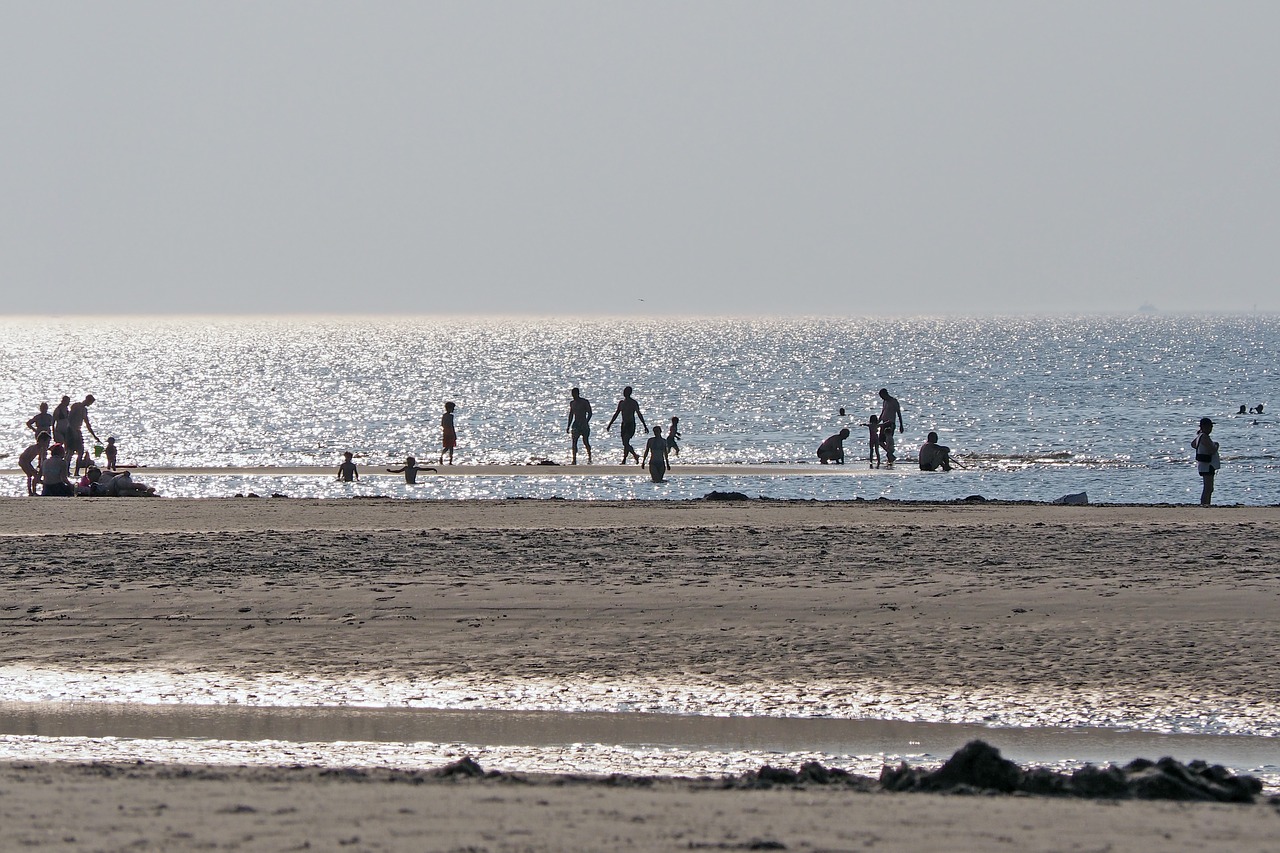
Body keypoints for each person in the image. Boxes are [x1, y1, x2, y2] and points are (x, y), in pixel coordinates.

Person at [606, 386, 647, 465]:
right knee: (625, 443)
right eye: (624, 392)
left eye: (626, 392)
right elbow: (616, 414)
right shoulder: (621, 403)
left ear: (629, 393)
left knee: (625, 441)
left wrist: (644, 425)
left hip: (630, 424)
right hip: (624, 425)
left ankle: (629, 457)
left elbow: (639, 414)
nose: (624, 393)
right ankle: (629, 458)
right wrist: (610, 424)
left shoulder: (633, 403)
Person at [65, 395, 101, 476]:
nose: (90, 404)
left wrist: (94, 436)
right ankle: (66, 471)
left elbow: (87, 424)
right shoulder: (76, 406)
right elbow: (69, 419)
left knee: (80, 451)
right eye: (90, 402)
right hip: (71, 430)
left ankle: (76, 472)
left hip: (78, 430)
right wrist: (72, 430)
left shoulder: (84, 410)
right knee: (70, 452)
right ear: (87, 400)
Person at [1192, 417, 1220, 506]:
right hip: (1207, 465)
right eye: (1209, 426)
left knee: (1208, 488)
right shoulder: (1204, 437)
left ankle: (1205, 503)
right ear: (1203, 427)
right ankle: (1205, 504)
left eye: (1211, 426)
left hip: (1205, 464)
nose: (1211, 428)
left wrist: (1201, 447)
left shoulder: (1200, 436)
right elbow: (1212, 450)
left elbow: (1193, 444)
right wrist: (1216, 445)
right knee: (1208, 488)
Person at [18, 432, 51, 496]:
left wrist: (39, 466)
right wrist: (31, 469)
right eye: (47, 442)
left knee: (35, 475)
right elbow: (25, 459)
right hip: (23, 461)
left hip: (28, 462)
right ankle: (32, 492)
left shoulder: (42, 449)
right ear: (41, 441)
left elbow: (41, 459)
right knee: (31, 475)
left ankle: (34, 490)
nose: (47, 444)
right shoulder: (34, 448)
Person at [878, 388, 905, 464]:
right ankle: (890, 455)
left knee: (888, 441)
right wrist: (878, 422)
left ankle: (890, 456)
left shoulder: (894, 401)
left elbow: (898, 413)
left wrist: (901, 425)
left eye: (882, 396)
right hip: (884, 423)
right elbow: (882, 412)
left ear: (885, 394)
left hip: (890, 423)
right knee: (880, 441)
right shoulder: (885, 402)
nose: (882, 398)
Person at [566, 387, 593, 465]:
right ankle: (574, 460)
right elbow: (571, 415)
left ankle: (589, 458)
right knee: (574, 442)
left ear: (578, 393)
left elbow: (590, 413)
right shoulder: (572, 403)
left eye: (574, 394)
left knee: (586, 442)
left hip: (584, 424)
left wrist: (586, 421)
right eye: (572, 394)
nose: (573, 395)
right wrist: (568, 426)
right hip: (576, 424)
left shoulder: (584, 402)